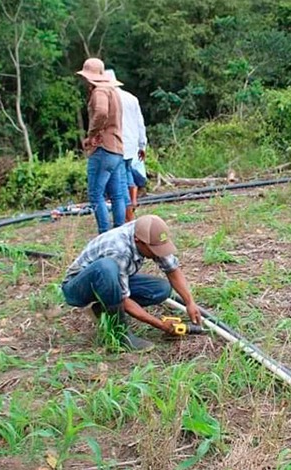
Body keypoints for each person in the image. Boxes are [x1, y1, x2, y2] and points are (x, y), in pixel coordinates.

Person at [61, 214, 201, 351]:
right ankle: (120, 335)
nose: (157, 253)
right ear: (138, 240)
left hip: (108, 280)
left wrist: (190, 302)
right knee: (106, 268)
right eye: (153, 250)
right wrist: (160, 325)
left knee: (161, 288)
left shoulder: (149, 234)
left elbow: (172, 269)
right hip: (77, 288)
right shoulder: (119, 250)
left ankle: (102, 308)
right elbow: (124, 299)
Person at [76, 58, 126, 234]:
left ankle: (104, 233)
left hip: (103, 149)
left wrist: (92, 135)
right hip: (117, 149)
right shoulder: (113, 91)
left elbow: (102, 112)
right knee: (117, 195)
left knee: (96, 195)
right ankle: (120, 232)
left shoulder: (100, 92)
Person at [105, 69, 148, 222]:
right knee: (128, 172)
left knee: (120, 182)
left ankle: (128, 217)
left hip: (117, 145)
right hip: (132, 144)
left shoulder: (109, 99)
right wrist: (142, 145)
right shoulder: (131, 98)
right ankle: (132, 203)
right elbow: (140, 123)